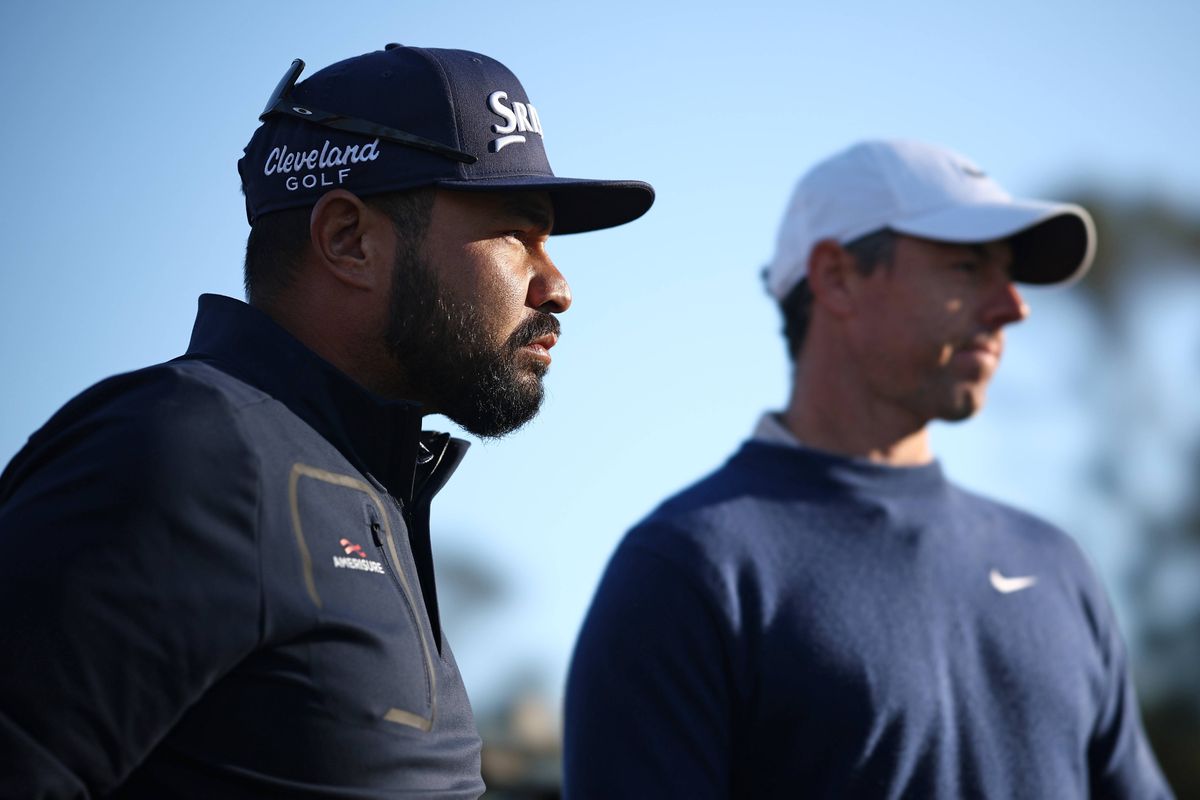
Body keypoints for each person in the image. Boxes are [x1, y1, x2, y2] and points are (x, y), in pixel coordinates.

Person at [0, 43, 652, 798]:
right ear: (348, 240)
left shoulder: (360, 484)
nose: (558, 285)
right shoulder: (188, 451)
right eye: (517, 230)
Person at [564, 139, 1173, 798]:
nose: (1012, 308)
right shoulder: (688, 570)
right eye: (968, 268)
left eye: (1008, 273)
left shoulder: (1055, 565)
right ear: (837, 277)